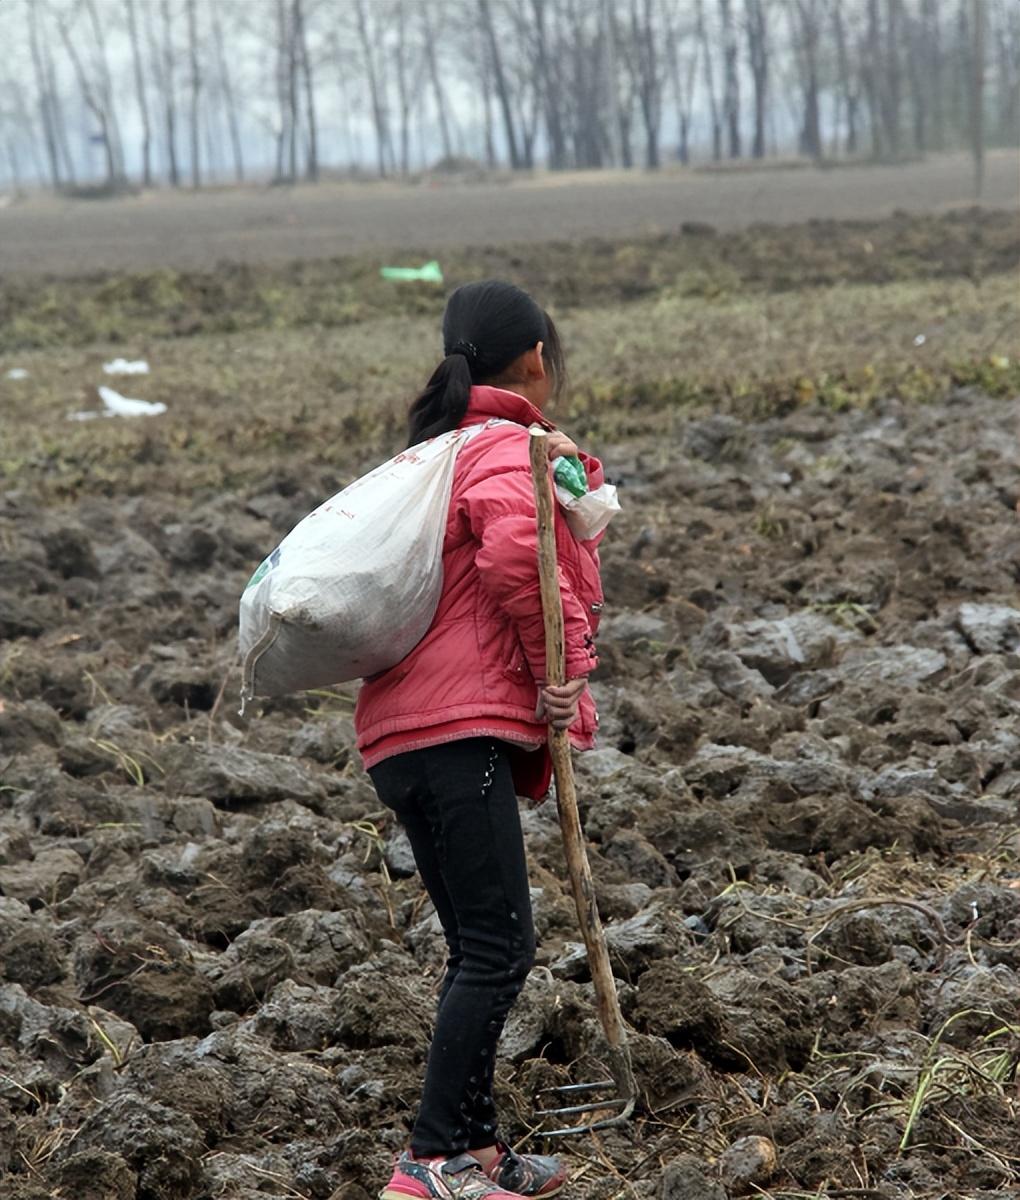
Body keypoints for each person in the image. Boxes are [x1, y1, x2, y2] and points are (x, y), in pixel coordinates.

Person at [354, 281, 606, 1200]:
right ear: (534, 354)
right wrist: (562, 666)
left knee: (479, 949)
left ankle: (481, 1154)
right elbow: (515, 559)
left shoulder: (436, 452)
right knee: (500, 951)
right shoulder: (506, 448)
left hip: (404, 737)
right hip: (460, 736)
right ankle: (429, 1163)